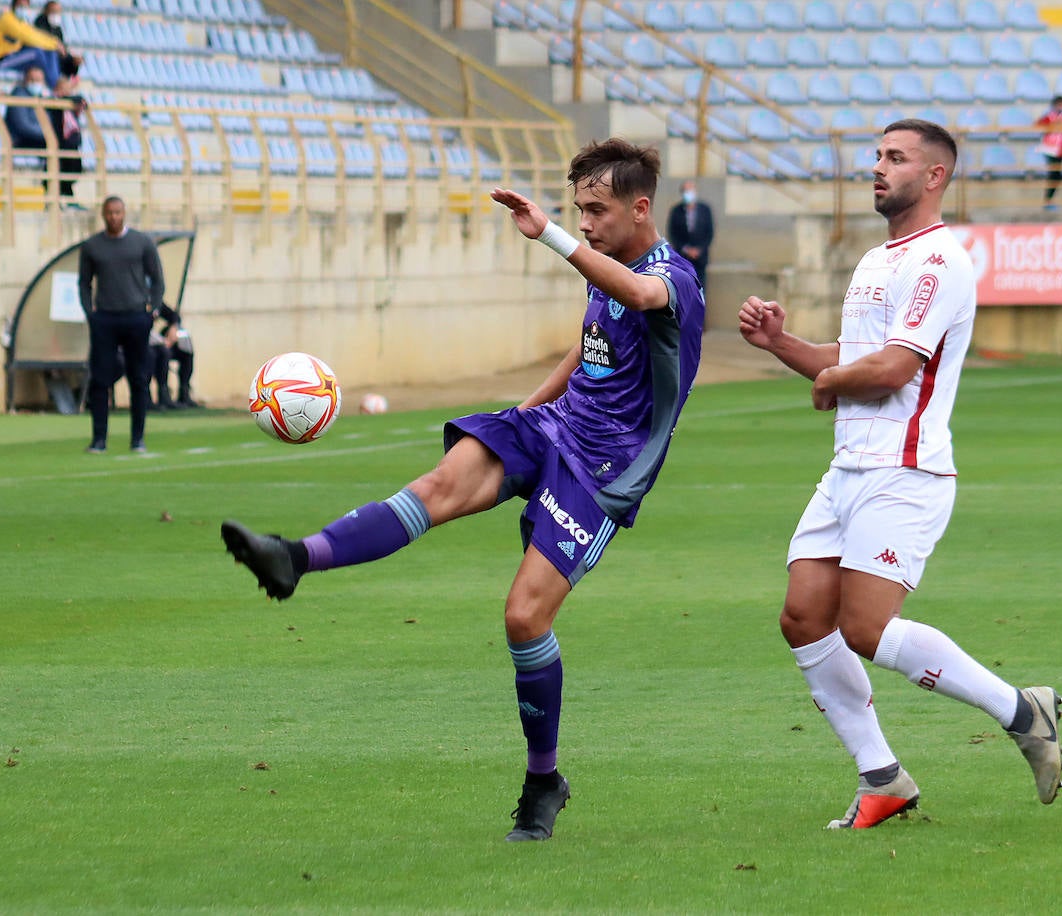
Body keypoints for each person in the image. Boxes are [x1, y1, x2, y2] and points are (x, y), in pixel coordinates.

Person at [219, 138, 705, 843]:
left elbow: (637, 296)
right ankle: (295, 557)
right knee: (441, 484)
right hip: (554, 428)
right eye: (578, 210)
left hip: (604, 472)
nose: (587, 222)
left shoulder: (672, 277)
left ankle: (543, 779)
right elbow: (589, 345)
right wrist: (526, 415)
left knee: (524, 619)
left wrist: (552, 234)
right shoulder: (606, 267)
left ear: (640, 208)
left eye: (597, 211)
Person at [736, 119, 1062, 830]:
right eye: (877, 156)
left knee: (866, 628)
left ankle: (1020, 710)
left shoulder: (939, 262)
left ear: (935, 175)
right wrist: (781, 343)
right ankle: (881, 777)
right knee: (803, 617)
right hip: (849, 469)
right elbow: (850, 357)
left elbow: (890, 370)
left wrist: (833, 380)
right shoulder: (875, 260)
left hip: (904, 470)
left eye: (896, 158)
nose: (878, 168)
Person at [78, 196, 166, 454]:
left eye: (117, 212)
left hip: (136, 317)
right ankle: (99, 439)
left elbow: (157, 279)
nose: (113, 217)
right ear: (103, 215)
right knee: (100, 379)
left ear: (124, 213)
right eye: (109, 213)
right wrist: (90, 313)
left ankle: (138, 439)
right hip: (105, 318)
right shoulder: (92, 246)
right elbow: (84, 283)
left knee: (138, 379)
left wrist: (152, 309)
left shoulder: (141, 243)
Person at [0, 0, 65, 88]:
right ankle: (55, 86)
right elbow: (29, 37)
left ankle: (57, 82)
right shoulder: (6, 19)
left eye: (25, 6)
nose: (23, 8)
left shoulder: (20, 21)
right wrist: (55, 44)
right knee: (37, 53)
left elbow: (33, 33)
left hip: (10, 56)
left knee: (50, 51)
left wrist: (55, 43)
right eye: (20, 6)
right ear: (14, 6)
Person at [665, 179, 714, 294]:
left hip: (700, 259)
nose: (689, 193)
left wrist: (699, 250)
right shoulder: (676, 211)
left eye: (691, 190)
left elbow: (709, 233)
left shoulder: (705, 210)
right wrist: (686, 249)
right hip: (683, 258)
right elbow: (672, 233)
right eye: (686, 191)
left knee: (700, 289)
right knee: (684, 290)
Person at [1034, 95, 1062, 210]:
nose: (1061, 106)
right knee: (1053, 174)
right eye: (1059, 104)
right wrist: (1053, 125)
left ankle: (1050, 200)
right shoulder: (1049, 116)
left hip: (1061, 148)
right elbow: (1038, 124)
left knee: (1057, 174)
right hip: (1050, 148)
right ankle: (1048, 200)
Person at [145, 310, 197, 410]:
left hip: (155, 340)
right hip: (139, 340)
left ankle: (182, 393)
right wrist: (161, 341)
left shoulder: (155, 302)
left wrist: (173, 327)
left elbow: (173, 315)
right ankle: (146, 397)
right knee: (157, 353)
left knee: (186, 348)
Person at [46, 73, 85, 205]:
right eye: (63, 89)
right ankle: (55, 200)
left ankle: (68, 198)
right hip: (59, 144)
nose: (66, 92)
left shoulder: (72, 103)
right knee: (58, 171)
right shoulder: (54, 102)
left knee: (73, 170)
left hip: (71, 144)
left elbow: (82, 101)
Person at [2, 64, 49, 154]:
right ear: (25, 80)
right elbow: (23, 126)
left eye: (38, 80)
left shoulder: (43, 97)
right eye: (32, 79)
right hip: (22, 142)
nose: (35, 83)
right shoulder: (18, 95)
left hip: (39, 140)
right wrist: (47, 134)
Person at [32, 1, 81, 80]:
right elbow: (42, 42)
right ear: (46, 11)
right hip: (42, 66)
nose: (56, 14)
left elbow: (63, 52)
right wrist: (55, 45)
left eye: (58, 12)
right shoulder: (39, 24)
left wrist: (73, 61)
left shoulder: (57, 29)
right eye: (53, 11)